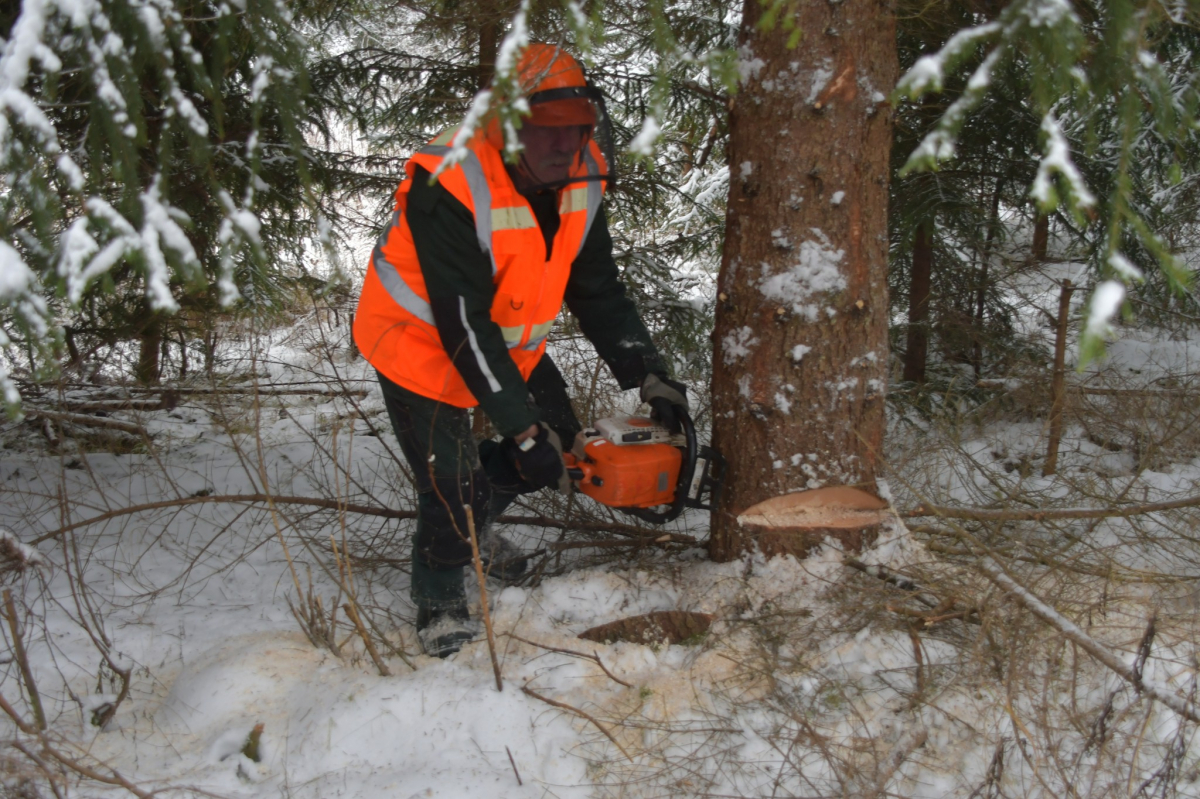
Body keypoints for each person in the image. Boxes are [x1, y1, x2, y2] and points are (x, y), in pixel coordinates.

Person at [353, 43, 688, 658]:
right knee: (450, 483)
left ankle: (474, 524)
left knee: (557, 443)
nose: (565, 147)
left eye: (578, 130)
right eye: (547, 133)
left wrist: (648, 373)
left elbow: (597, 287)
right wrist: (518, 428)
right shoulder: (450, 182)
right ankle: (440, 596)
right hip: (418, 343)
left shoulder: (580, 178)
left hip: (502, 343)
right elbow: (460, 322)